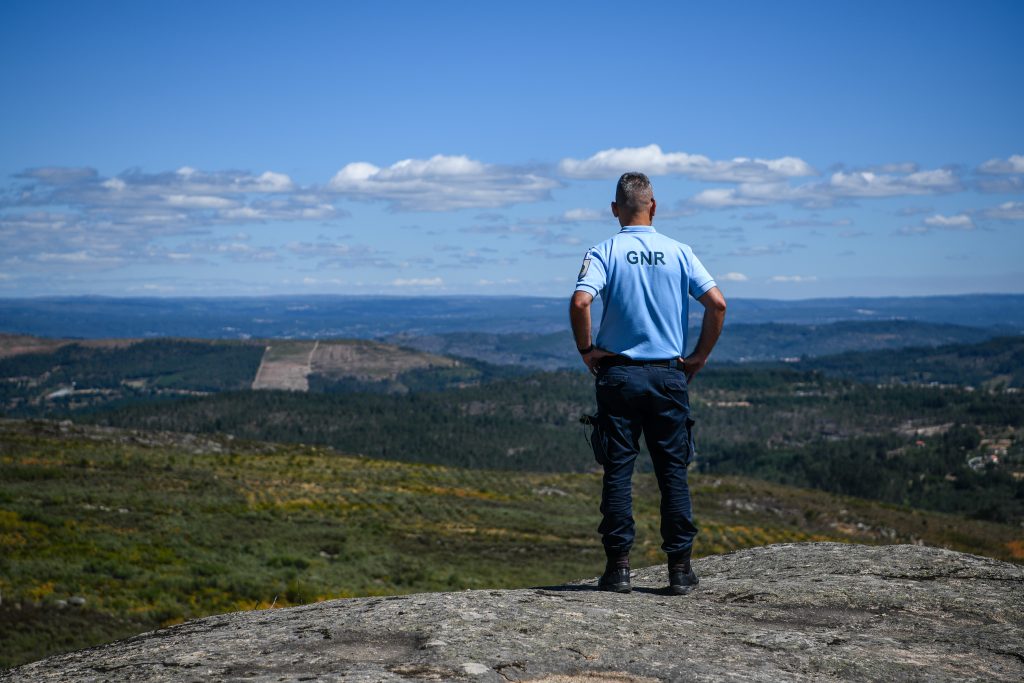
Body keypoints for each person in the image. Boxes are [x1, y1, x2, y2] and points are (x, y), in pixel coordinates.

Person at [569, 171, 726, 595]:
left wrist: (587, 350)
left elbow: (581, 302)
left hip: (619, 375)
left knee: (618, 471)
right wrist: (699, 357)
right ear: (653, 206)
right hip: (668, 375)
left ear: (615, 209)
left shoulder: (604, 251)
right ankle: (680, 570)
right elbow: (717, 304)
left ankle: (619, 568)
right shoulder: (680, 252)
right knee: (672, 472)